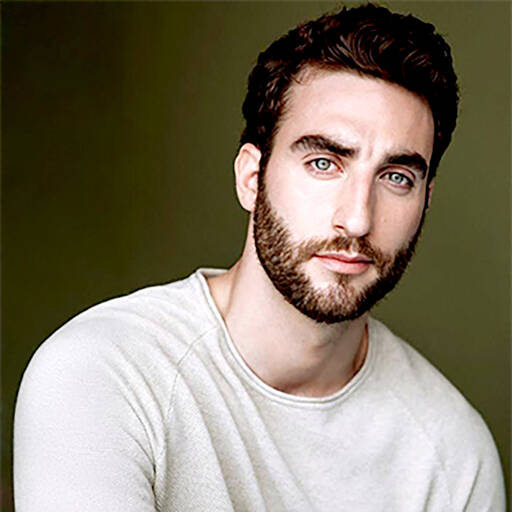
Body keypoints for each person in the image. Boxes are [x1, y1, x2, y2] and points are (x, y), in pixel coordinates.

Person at [14, 4, 505, 511]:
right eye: (323, 163)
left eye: (396, 177)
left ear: (425, 200)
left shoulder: (454, 456)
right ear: (252, 178)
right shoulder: (103, 374)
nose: (358, 219)